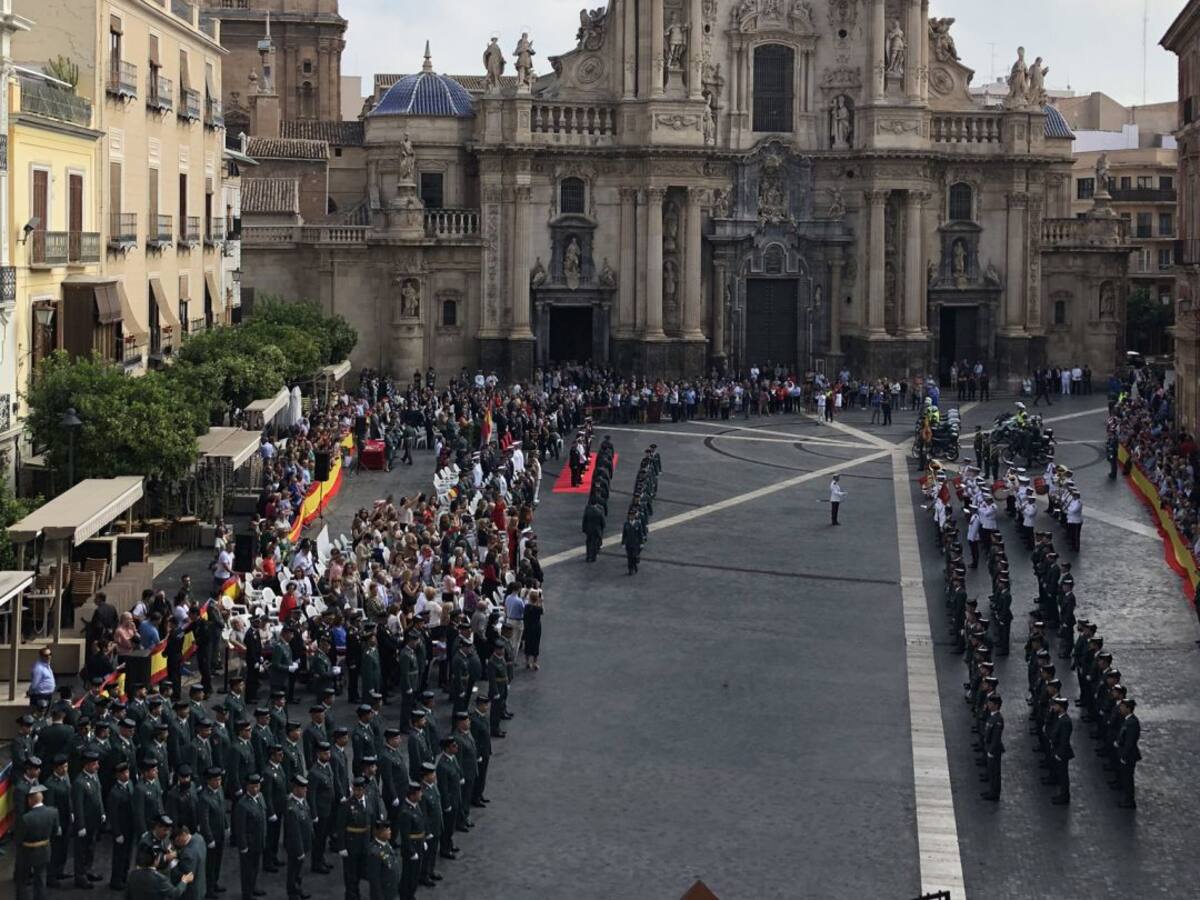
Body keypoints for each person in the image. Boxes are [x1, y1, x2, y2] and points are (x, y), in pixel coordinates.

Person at [14, 781, 59, 900]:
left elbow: (18, 839)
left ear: (30, 800)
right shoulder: (53, 812)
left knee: (22, 881)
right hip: (44, 851)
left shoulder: (25, 819)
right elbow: (55, 832)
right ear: (42, 798)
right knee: (40, 880)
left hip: (26, 853)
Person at [233, 773, 267, 900]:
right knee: (247, 870)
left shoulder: (260, 797)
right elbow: (240, 828)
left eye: (257, 786)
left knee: (255, 867)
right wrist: (243, 845)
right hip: (249, 843)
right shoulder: (242, 805)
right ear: (247, 787)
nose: (255, 789)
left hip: (258, 840)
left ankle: (253, 888)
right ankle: (247, 894)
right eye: (253, 787)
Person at [284, 775, 314, 900]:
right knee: (293, 870)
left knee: (298, 871)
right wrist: (300, 850)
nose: (306, 790)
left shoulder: (302, 801)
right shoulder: (292, 808)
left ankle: (297, 888)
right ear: (296, 789)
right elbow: (294, 833)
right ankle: (292, 893)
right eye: (303, 788)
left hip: (304, 843)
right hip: (296, 847)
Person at [980, 694, 1005, 801]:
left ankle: (995, 793)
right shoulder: (991, 716)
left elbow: (996, 737)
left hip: (993, 750)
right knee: (991, 771)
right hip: (989, 747)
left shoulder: (998, 719)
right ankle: (991, 790)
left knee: (995, 772)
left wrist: (991, 751)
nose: (988, 704)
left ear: (996, 705)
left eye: (990, 703)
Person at [522, 589, 543, 670]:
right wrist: (541, 602)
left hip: (527, 627)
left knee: (527, 643)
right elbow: (543, 611)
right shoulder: (538, 608)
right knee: (536, 644)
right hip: (536, 627)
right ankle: (535, 663)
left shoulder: (526, 607)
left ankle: (527, 662)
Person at [620, 510, 642, 575]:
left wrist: (641, 543)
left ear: (634, 516)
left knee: (634, 556)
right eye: (630, 515)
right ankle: (630, 569)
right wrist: (623, 543)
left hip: (636, 543)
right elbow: (624, 534)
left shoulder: (638, 524)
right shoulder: (626, 524)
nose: (631, 517)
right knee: (629, 557)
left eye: (632, 515)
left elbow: (640, 534)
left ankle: (634, 565)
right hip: (629, 543)